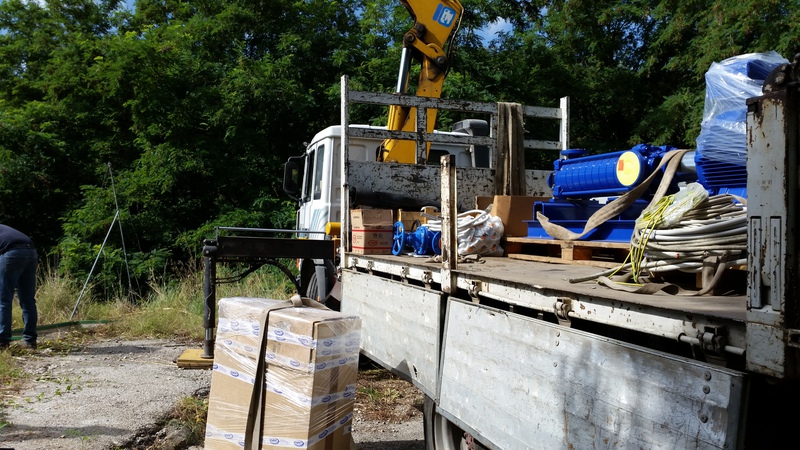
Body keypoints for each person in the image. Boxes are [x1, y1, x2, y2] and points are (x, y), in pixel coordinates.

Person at [0, 224, 38, 350]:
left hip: (12, 253)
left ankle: (2, 342)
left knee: (3, 300)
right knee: (28, 300)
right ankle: (30, 341)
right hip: (31, 252)